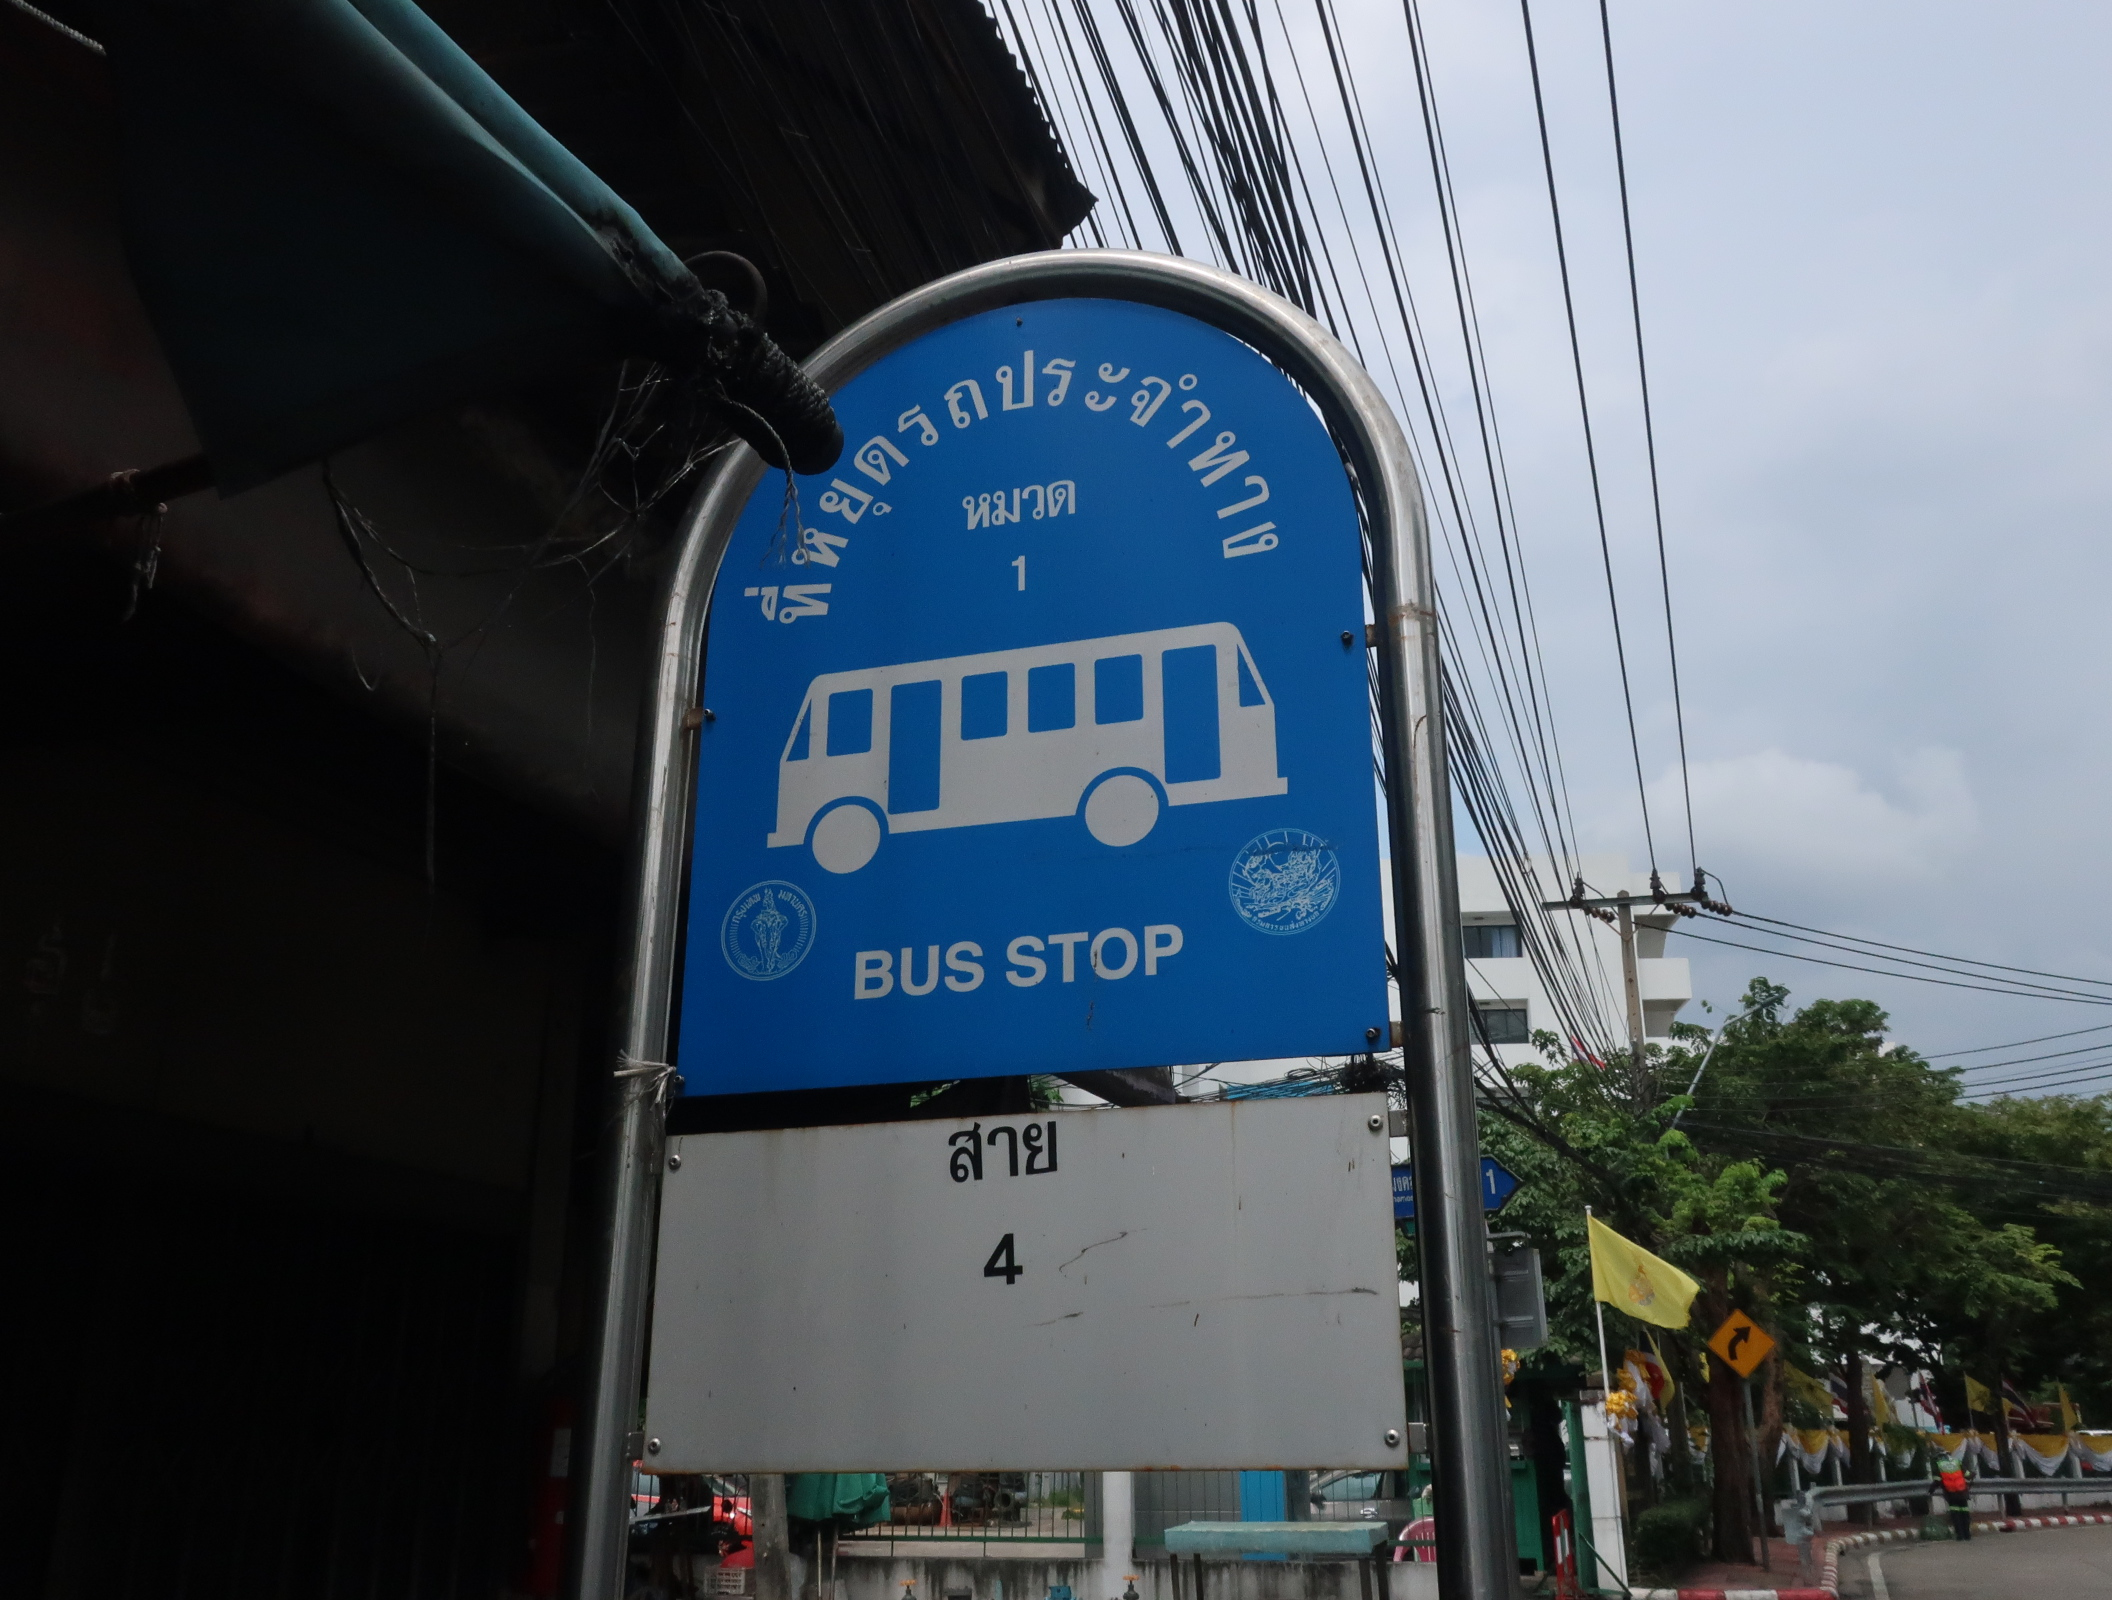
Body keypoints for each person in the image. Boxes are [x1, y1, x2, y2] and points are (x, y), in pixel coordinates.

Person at [1931, 1452, 1973, 1541]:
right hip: (1962, 1491)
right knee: (1965, 1513)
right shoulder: (1957, 1462)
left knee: (1955, 1514)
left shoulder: (1939, 1465)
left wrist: (1931, 1490)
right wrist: (1969, 1482)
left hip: (1951, 1493)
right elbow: (1968, 1475)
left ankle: (1960, 1535)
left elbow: (1937, 1480)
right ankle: (1967, 1535)